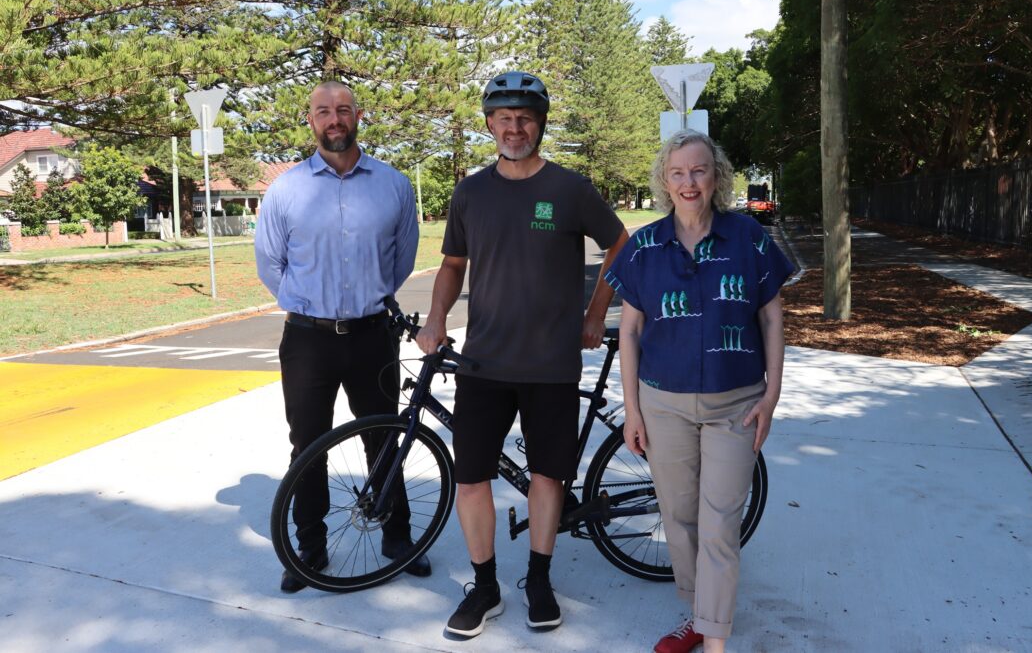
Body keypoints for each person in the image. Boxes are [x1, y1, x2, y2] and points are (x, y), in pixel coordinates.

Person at [416, 70, 629, 637]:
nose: (515, 128)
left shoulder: (570, 189)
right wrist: (435, 319)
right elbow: (453, 265)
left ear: (541, 124)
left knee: (547, 477)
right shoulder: (470, 192)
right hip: (483, 363)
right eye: (505, 118)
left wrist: (594, 314)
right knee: (471, 479)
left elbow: (620, 244)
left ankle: (538, 579)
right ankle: (484, 587)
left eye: (526, 119)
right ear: (490, 124)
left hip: (551, 365)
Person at [605, 129, 793, 653]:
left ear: (717, 177)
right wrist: (632, 410)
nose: (689, 182)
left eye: (699, 170)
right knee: (679, 516)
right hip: (663, 404)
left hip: (736, 403)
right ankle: (698, 615)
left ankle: (715, 642)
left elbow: (772, 320)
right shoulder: (644, 247)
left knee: (719, 524)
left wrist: (772, 396)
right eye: (678, 173)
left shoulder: (749, 238)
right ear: (665, 181)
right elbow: (630, 331)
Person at [255, 80, 429, 593]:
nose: (335, 119)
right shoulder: (286, 189)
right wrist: (311, 303)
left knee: (384, 439)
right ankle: (309, 548)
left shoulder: (393, 185)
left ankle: (397, 537)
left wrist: (367, 298)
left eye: (344, 110)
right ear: (311, 120)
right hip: (308, 340)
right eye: (324, 111)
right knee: (308, 445)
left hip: (373, 335)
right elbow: (270, 263)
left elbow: (401, 260)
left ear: (358, 116)